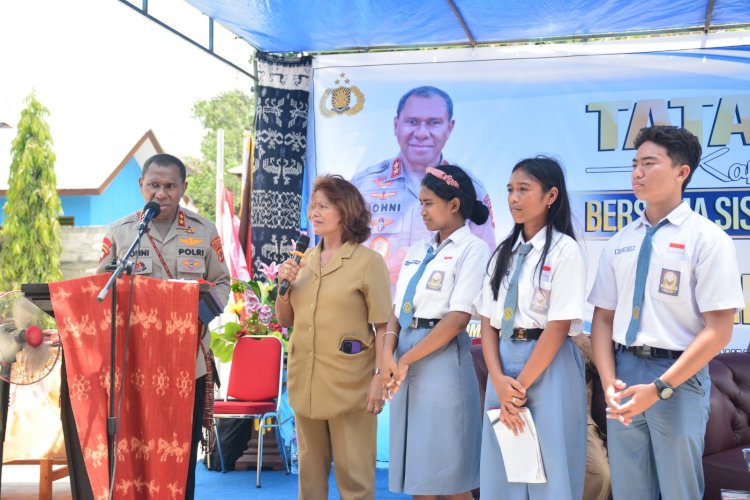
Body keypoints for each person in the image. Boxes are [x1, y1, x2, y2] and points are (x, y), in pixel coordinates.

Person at [59, 153, 231, 500]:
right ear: (142, 187)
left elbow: (222, 285)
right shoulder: (122, 233)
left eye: (169, 186)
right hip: (133, 365)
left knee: (180, 457)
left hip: (187, 365)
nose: (161, 193)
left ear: (183, 187)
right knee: (135, 451)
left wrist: (189, 316)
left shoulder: (203, 231)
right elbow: (101, 289)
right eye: (154, 185)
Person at [588, 126, 744, 499]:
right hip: (624, 377)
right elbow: (603, 320)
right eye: (634, 164)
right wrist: (609, 383)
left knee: (679, 490)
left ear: (681, 172)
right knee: (630, 489)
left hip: (677, 378)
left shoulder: (707, 239)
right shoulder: (620, 241)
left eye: (649, 163)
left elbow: (719, 331)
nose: (637, 173)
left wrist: (660, 387)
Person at [474, 156, 587, 499]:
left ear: (551, 196)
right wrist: (498, 380)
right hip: (503, 366)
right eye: (510, 190)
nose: (514, 198)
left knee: (550, 468)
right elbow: (487, 323)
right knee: (503, 466)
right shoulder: (503, 253)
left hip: (548, 365)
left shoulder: (565, 250)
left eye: (524, 189)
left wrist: (519, 388)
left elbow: (558, 326)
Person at [275, 175, 392, 500]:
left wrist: (379, 379)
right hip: (305, 384)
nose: (315, 212)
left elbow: (383, 326)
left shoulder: (368, 263)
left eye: (324, 206)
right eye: (313, 206)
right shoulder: (304, 260)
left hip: (350, 387)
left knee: (354, 482)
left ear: (346, 211)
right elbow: (286, 320)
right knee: (309, 483)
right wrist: (283, 287)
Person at [382, 164, 490, 498]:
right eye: (421, 202)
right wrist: (387, 356)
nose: (422, 211)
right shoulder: (417, 251)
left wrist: (406, 360)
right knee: (418, 475)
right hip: (404, 358)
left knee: (450, 474)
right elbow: (396, 313)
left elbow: (457, 318)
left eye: (429, 203)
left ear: (454, 205)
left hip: (441, 361)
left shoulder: (473, 249)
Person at [351, 86, 495, 284]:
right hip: (374, 308)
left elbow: (487, 264)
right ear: (396, 125)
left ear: (449, 128)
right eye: (412, 122)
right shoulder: (362, 186)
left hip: (443, 310)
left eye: (434, 123)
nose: (421, 133)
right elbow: (341, 254)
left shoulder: (470, 189)